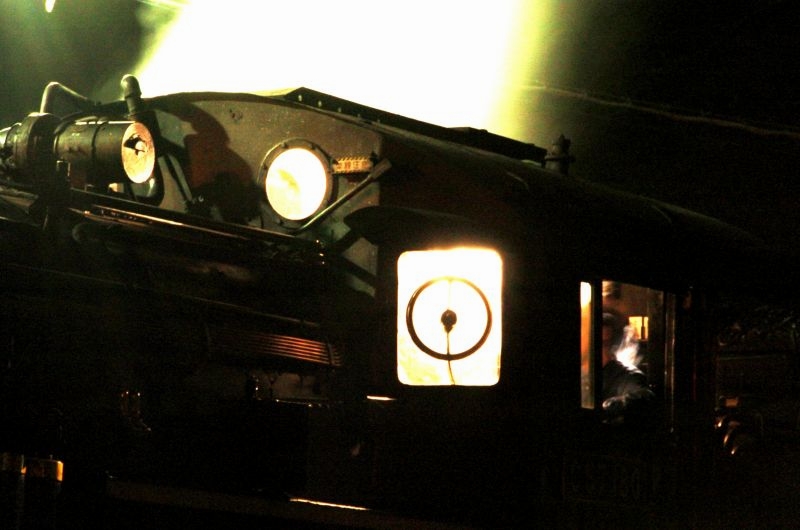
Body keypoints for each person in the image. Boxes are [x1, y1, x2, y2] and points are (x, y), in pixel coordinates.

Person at [601, 309, 655, 424]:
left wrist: (617, 403)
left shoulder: (626, 375)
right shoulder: (584, 373)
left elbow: (645, 396)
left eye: (605, 343)